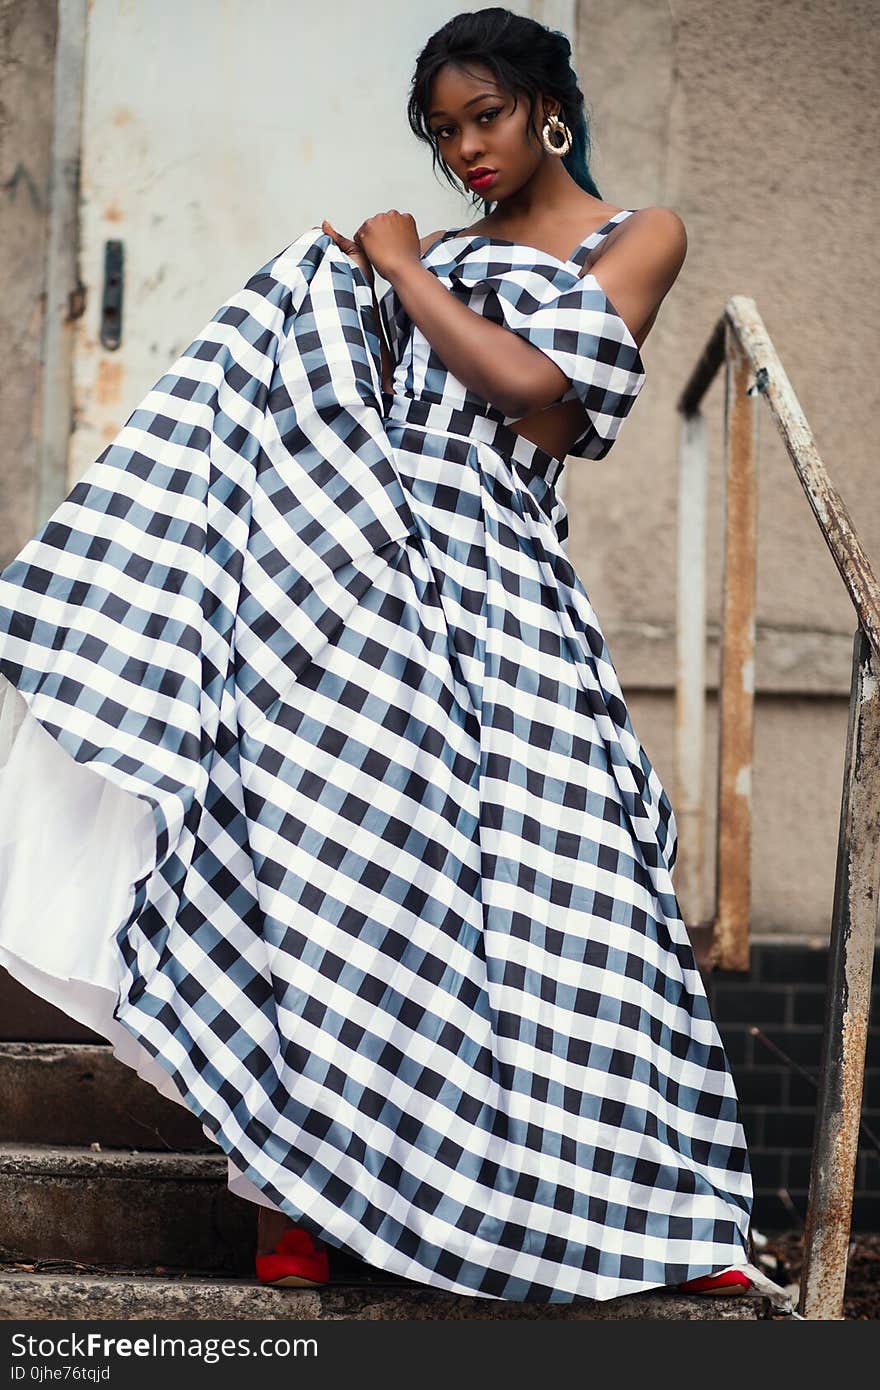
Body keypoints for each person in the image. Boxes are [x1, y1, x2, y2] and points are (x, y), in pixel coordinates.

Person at [0, 7, 787, 1308]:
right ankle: (294, 1199)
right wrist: (347, 289)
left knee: (570, 893)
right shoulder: (415, 260)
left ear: (549, 106)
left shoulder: (634, 236)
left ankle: (656, 1213)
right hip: (357, 593)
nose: (463, 147)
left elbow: (537, 390)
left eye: (483, 115)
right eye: (440, 129)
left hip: (502, 600)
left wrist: (403, 270)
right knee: (321, 879)